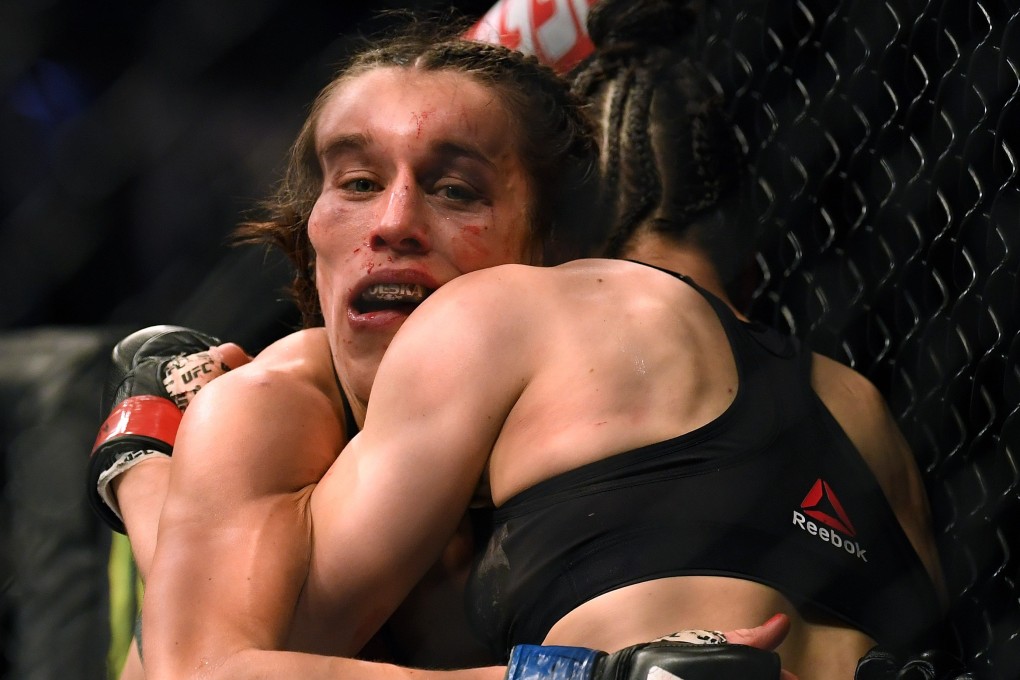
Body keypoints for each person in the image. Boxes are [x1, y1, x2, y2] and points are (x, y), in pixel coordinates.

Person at [89, 7, 790, 680]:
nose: (395, 222)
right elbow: (195, 669)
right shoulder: (276, 404)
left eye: (456, 191)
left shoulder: (603, 430)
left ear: (558, 255)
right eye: (358, 183)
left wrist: (142, 465)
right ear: (310, 236)